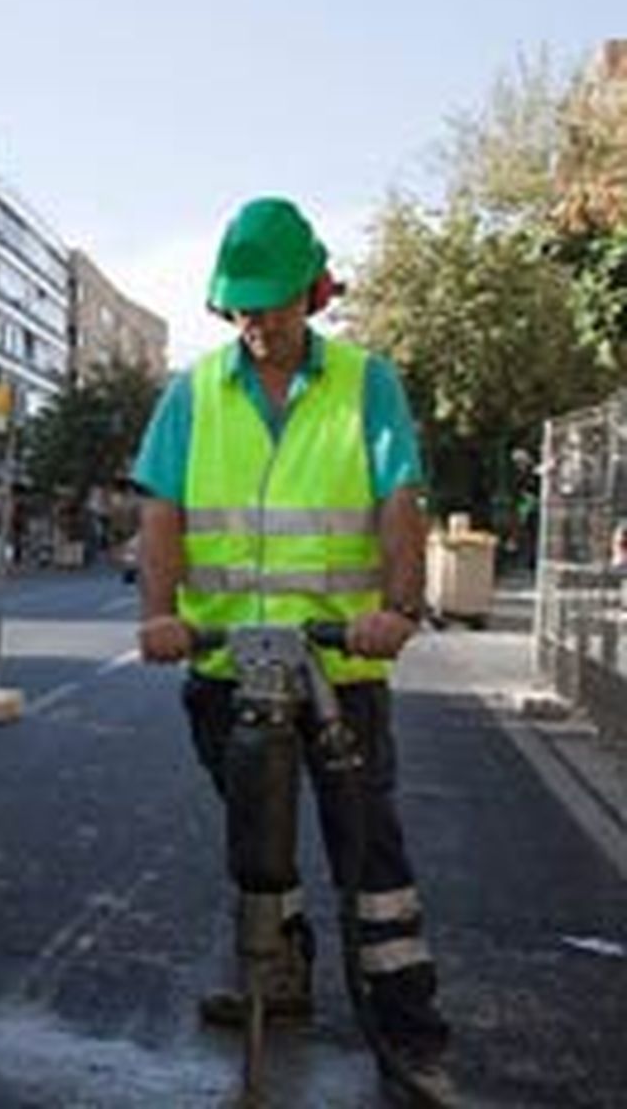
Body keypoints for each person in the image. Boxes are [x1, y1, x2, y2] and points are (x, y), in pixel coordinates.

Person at [132, 198, 453, 1104]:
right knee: (256, 839)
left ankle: (409, 1029)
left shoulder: (364, 382)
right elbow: (161, 507)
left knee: (369, 857)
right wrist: (160, 613)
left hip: (337, 667)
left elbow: (399, 496)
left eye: (271, 305)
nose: (255, 323)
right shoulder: (194, 393)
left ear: (312, 293)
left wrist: (397, 606)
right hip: (226, 663)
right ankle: (276, 973)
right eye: (240, 307)